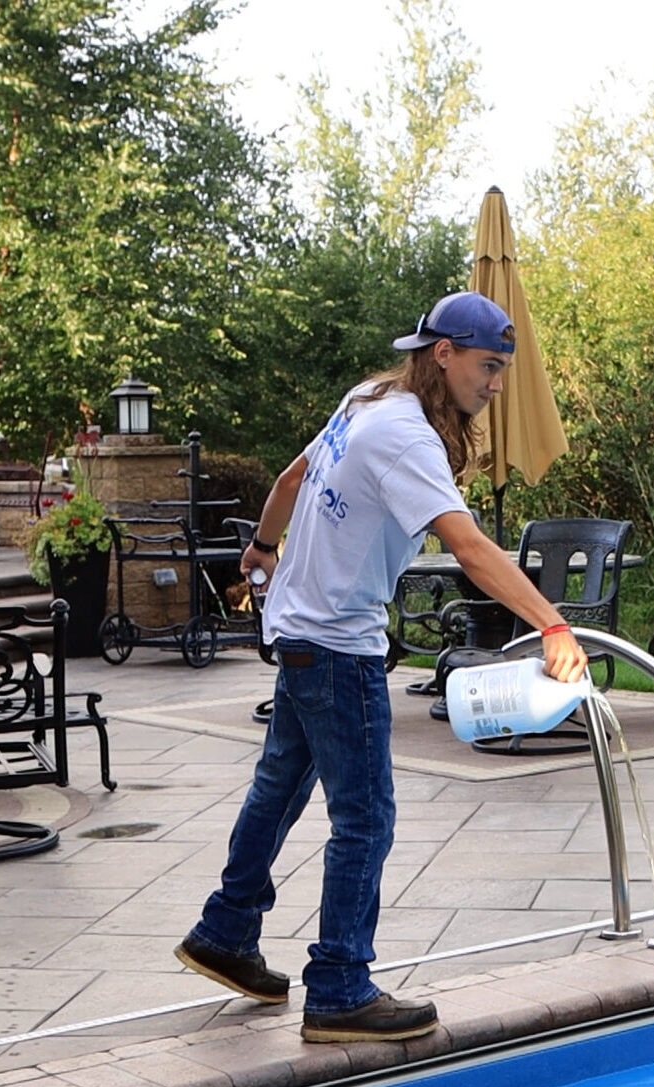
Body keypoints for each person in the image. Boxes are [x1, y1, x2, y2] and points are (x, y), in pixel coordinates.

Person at [176, 292, 589, 1043]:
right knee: (365, 816)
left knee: (278, 791)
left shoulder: (369, 398)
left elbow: (293, 479)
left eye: (502, 370)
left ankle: (225, 933)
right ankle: (338, 985)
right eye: (487, 367)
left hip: (300, 628)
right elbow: (468, 547)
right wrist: (551, 623)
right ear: (444, 355)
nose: (495, 385)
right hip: (336, 642)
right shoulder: (407, 436)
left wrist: (264, 548)